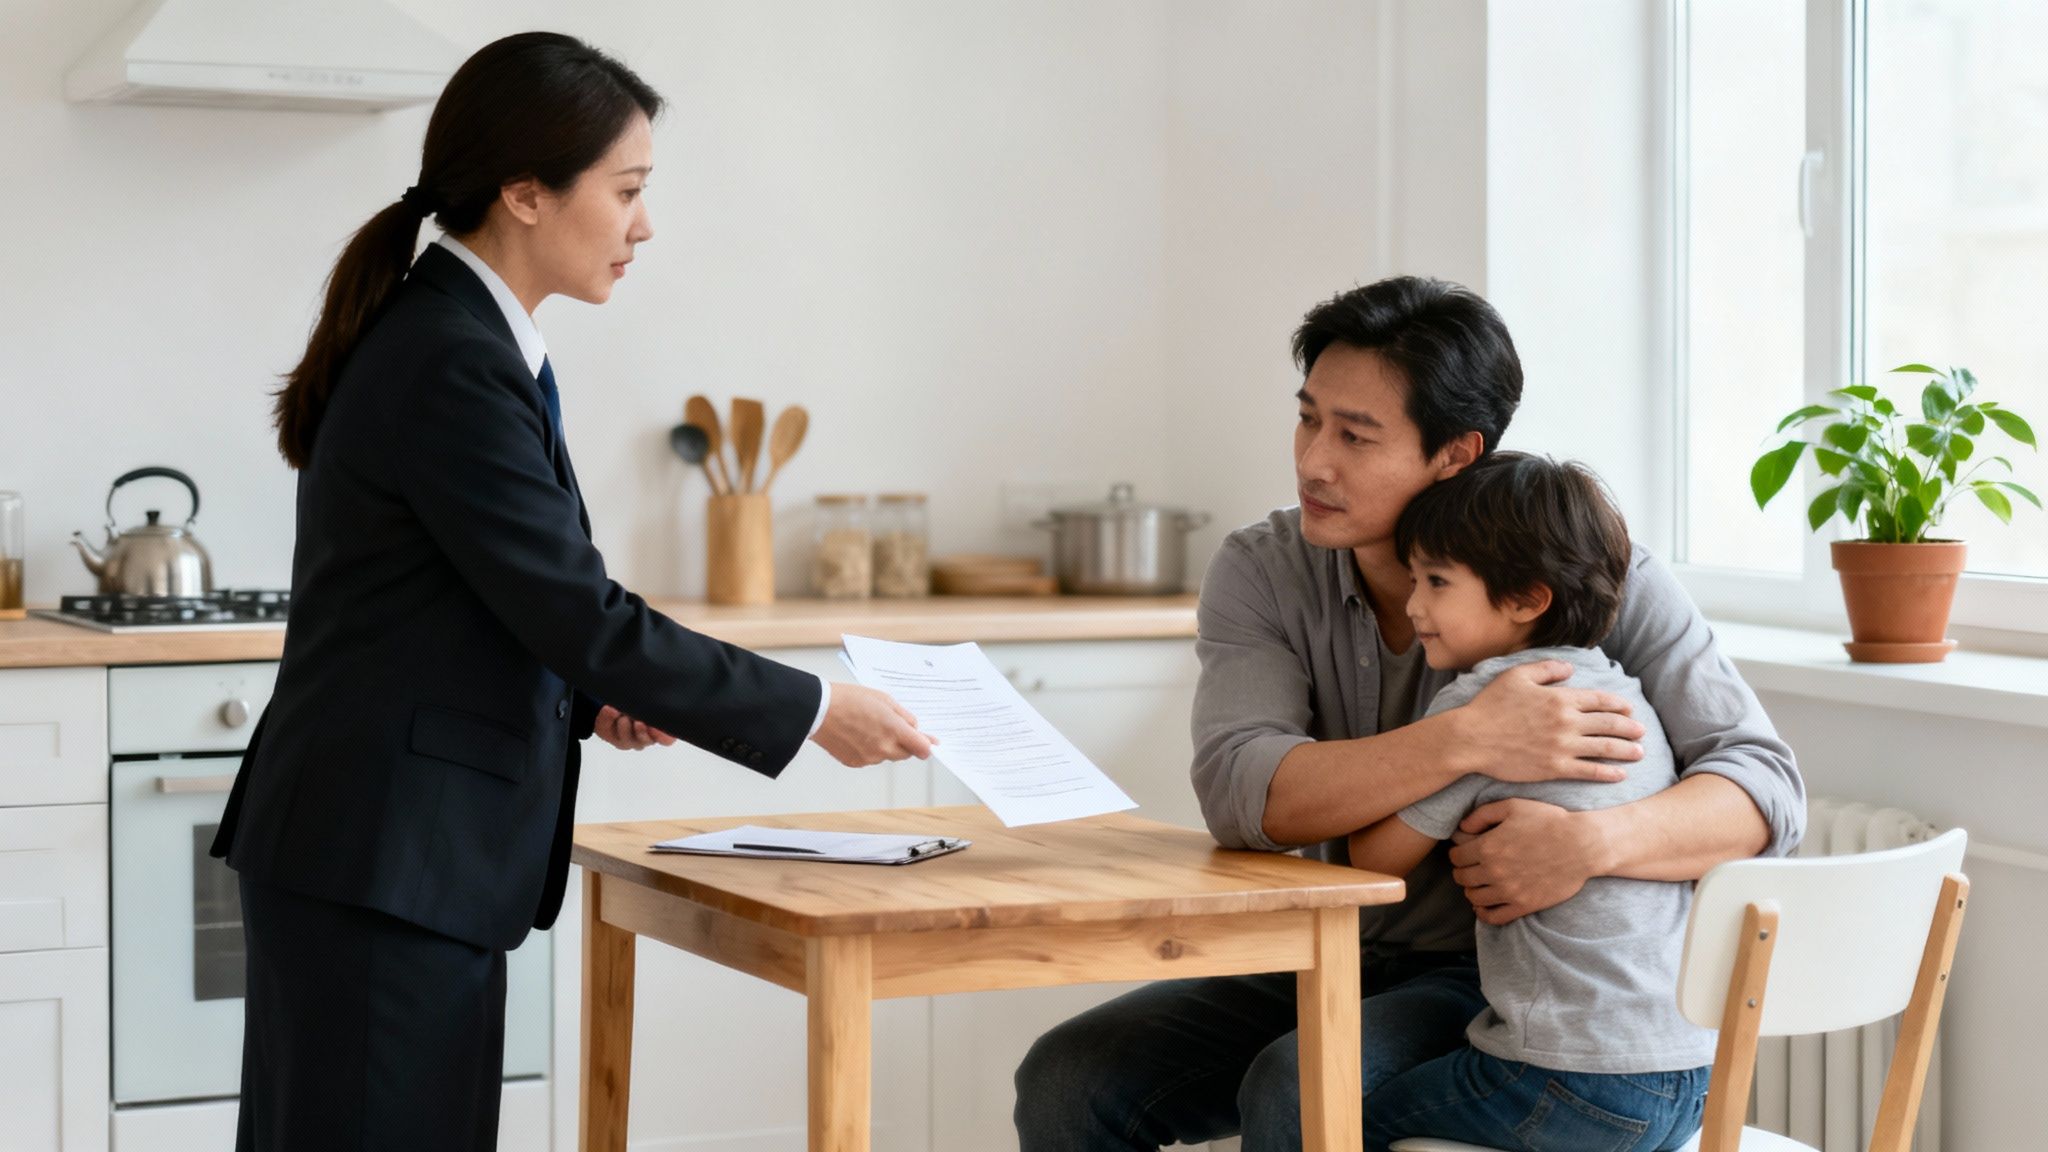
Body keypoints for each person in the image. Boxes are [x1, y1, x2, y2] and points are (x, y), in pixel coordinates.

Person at [210, 33, 930, 1152]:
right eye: (628, 190)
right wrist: (813, 709)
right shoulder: (452, 355)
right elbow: (575, 610)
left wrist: (582, 695)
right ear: (525, 193)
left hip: (396, 862)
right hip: (383, 865)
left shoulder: (472, 341)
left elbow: (492, 600)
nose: (644, 224)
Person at [1013, 276, 1802, 1151]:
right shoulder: (1263, 568)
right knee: (1069, 1078)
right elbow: (1247, 794)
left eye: (1356, 436)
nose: (1315, 460)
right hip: (1320, 949)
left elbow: (1764, 791)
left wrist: (1590, 845)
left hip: (1508, 980)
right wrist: (1466, 736)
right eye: (1309, 417)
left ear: (1456, 454)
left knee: (1300, 1081)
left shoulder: (1588, 571)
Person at [1348, 451, 1711, 1152]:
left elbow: (1375, 861)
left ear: (1525, 598)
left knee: (1330, 1113)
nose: (1413, 603)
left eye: (1436, 581)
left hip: (1566, 1080)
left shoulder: (1490, 703)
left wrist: (1448, 748)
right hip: (1686, 1077)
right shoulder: (1625, 693)